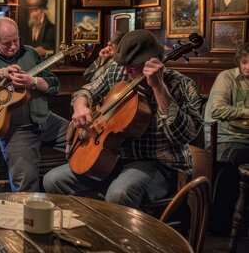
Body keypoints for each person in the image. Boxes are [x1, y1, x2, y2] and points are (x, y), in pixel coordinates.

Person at [43, 30, 202, 209]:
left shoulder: (180, 85)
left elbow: (184, 135)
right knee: (53, 180)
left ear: (153, 62)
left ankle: (120, 235)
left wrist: (159, 88)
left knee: (120, 193)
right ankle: (90, 229)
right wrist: (80, 106)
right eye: (123, 65)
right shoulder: (118, 72)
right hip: (113, 160)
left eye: (132, 66)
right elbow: (85, 91)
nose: (125, 71)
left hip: (159, 165)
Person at [0, 17, 69, 192]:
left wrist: (33, 81)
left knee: (84, 139)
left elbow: (54, 86)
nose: (13, 46)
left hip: (46, 120)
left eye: (16, 40)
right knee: (26, 185)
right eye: (7, 43)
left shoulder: (30, 53)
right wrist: (1, 73)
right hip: (17, 130)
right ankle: (29, 217)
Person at [205, 42, 249, 165]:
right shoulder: (226, 77)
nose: (248, 67)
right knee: (238, 155)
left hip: (245, 136)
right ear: (239, 62)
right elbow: (217, 109)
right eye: (244, 62)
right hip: (225, 138)